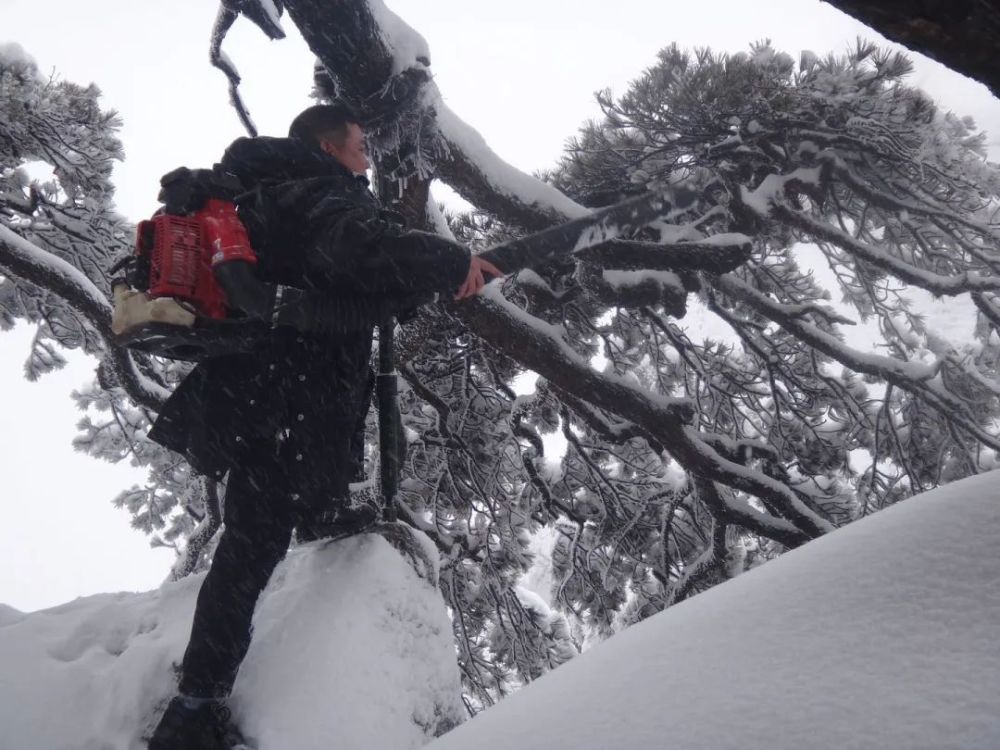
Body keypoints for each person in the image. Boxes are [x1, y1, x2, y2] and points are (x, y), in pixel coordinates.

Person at [147, 104, 502, 750]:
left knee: (271, 515)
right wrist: (447, 262)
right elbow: (358, 250)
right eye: (360, 144)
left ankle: (320, 512)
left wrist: (411, 285)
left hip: (269, 390)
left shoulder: (272, 192)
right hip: (287, 395)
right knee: (251, 547)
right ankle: (193, 710)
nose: (368, 155)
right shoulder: (320, 192)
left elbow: (336, 284)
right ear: (328, 145)